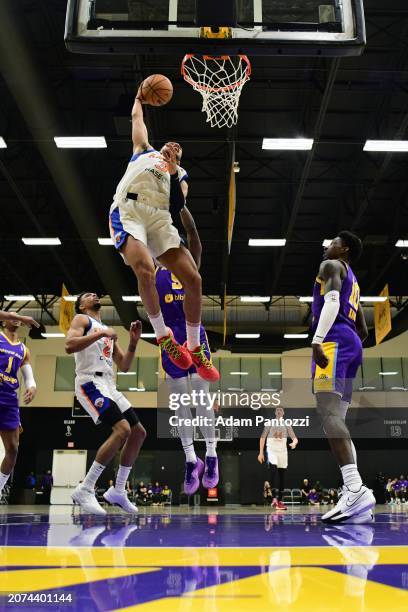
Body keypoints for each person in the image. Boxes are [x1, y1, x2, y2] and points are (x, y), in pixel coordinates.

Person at [108, 83, 219, 383]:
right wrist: (139, 95)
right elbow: (136, 118)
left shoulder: (180, 175)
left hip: (158, 218)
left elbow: (177, 205)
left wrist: (172, 171)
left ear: (180, 157)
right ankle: (164, 338)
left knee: (193, 279)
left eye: (179, 149)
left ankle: (194, 348)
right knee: (144, 269)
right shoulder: (144, 150)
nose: (174, 146)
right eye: (171, 144)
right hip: (128, 211)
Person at [311, 231, 375, 523]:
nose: (328, 246)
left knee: (327, 414)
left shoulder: (331, 267)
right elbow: (363, 329)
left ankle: (354, 488)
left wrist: (318, 339)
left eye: (333, 242)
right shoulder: (355, 283)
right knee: (337, 419)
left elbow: (332, 303)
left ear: (344, 248)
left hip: (334, 340)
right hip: (352, 344)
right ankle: (357, 499)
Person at [65, 292, 146, 515]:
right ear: (81, 306)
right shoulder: (82, 320)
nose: (94, 295)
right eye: (88, 295)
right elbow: (69, 345)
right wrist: (101, 332)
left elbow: (125, 365)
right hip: (89, 381)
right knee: (122, 430)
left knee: (138, 432)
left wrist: (133, 342)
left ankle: (118, 490)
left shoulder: (106, 330)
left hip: (109, 383)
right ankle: (86, 487)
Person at [157, 206, 219, 495]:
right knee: (181, 405)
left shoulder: (190, 261)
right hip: (170, 339)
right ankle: (190, 460)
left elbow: (194, 235)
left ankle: (211, 454)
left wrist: (180, 207)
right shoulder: (153, 265)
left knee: (202, 400)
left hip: (195, 336)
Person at [0, 311, 39, 498]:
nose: (15, 317)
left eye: (19, 316)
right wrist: (24, 318)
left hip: (9, 399)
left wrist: (32, 387)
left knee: (13, 449)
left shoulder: (24, 349)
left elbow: (28, 377)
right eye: (11, 314)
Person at [258, 406, 298, 510]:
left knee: (282, 476)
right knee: (273, 469)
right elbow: (262, 438)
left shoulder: (287, 424)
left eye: (281, 410)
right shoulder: (269, 423)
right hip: (272, 449)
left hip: (283, 451)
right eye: (277, 410)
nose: (279, 411)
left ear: (283, 413)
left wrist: (294, 443)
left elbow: (295, 438)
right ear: (275, 413)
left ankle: (280, 501)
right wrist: (261, 453)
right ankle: (273, 497)